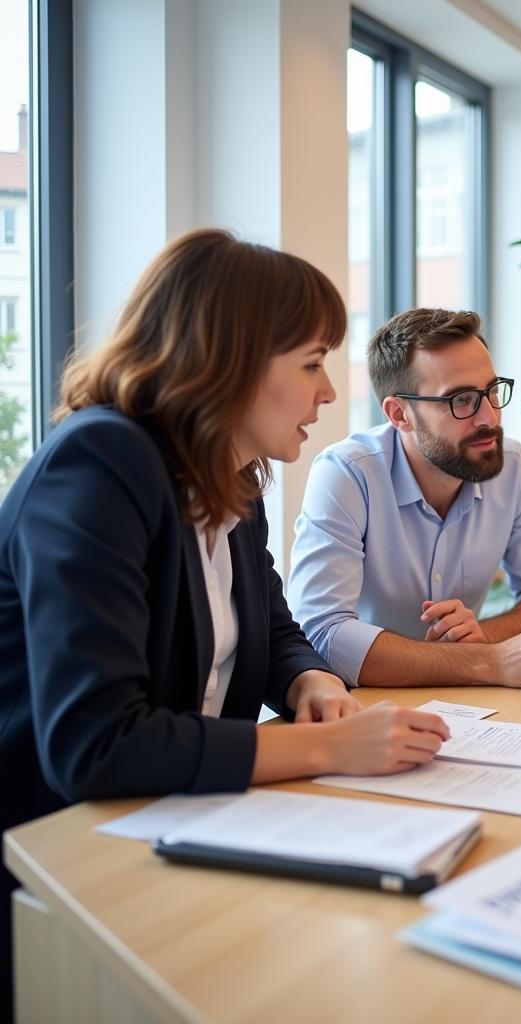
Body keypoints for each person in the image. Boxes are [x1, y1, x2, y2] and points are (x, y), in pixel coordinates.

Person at [0, 229, 449, 1010]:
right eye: (311, 363)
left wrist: (307, 675)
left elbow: (270, 624)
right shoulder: (101, 462)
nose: (328, 393)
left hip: (168, 821)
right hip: (54, 859)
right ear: (230, 359)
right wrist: (326, 746)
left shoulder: (229, 477)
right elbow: (95, 744)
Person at [288, 307, 521, 688]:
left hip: (467, 705)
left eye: (492, 392)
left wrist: (483, 637)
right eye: (461, 401)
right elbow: (323, 635)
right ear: (399, 414)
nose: (489, 418)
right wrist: (485, 661)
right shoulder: (347, 474)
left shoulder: (510, 464)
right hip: (366, 704)